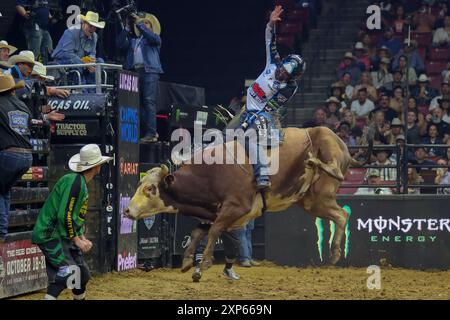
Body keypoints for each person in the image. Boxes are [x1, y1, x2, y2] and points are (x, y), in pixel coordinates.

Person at [32, 144, 113, 300]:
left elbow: (74, 216)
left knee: (82, 275)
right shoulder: (75, 182)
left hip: (60, 234)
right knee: (67, 274)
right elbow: (65, 215)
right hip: (51, 234)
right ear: (96, 166)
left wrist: (81, 237)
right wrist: (77, 239)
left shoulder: (78, 181)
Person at [240, 5, 304, 190]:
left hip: (263, 114)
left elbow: (270, 106)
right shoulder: (274, 62)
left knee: (250, 137)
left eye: (286, 73)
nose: (282, 73)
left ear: (292, 76)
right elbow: (270, 40)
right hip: (247, 108)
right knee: (228, 133)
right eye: (283, 69)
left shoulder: (289, 88)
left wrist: (252, 117)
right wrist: (270, 24)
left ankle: (262, 175)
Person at [117, 12, 163, 144]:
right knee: (138, 104)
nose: (144, 24)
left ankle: (151, 133)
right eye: (143, 23)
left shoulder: (155, 38)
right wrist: (126, 28)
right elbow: (120, 44)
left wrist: (139, 23)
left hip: (149, 72)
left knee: (149, 102)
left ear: (152, 26)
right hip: (135, 72)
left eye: (147, 22)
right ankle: (148, 132)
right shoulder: (134, 41)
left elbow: (152, 37)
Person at [52, 11, 105, 88]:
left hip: (82, 63)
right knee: (75, 61)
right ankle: (83, 90)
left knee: (100, 62)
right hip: (63, 61)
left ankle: (93, 89)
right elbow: (68, 54)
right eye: (90, 26)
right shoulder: (71, 32)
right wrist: (84, 64)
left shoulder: (94, 36)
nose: (93, 29)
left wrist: (91, 62)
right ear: (83, 23)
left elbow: (92, 53)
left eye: (95, 27)